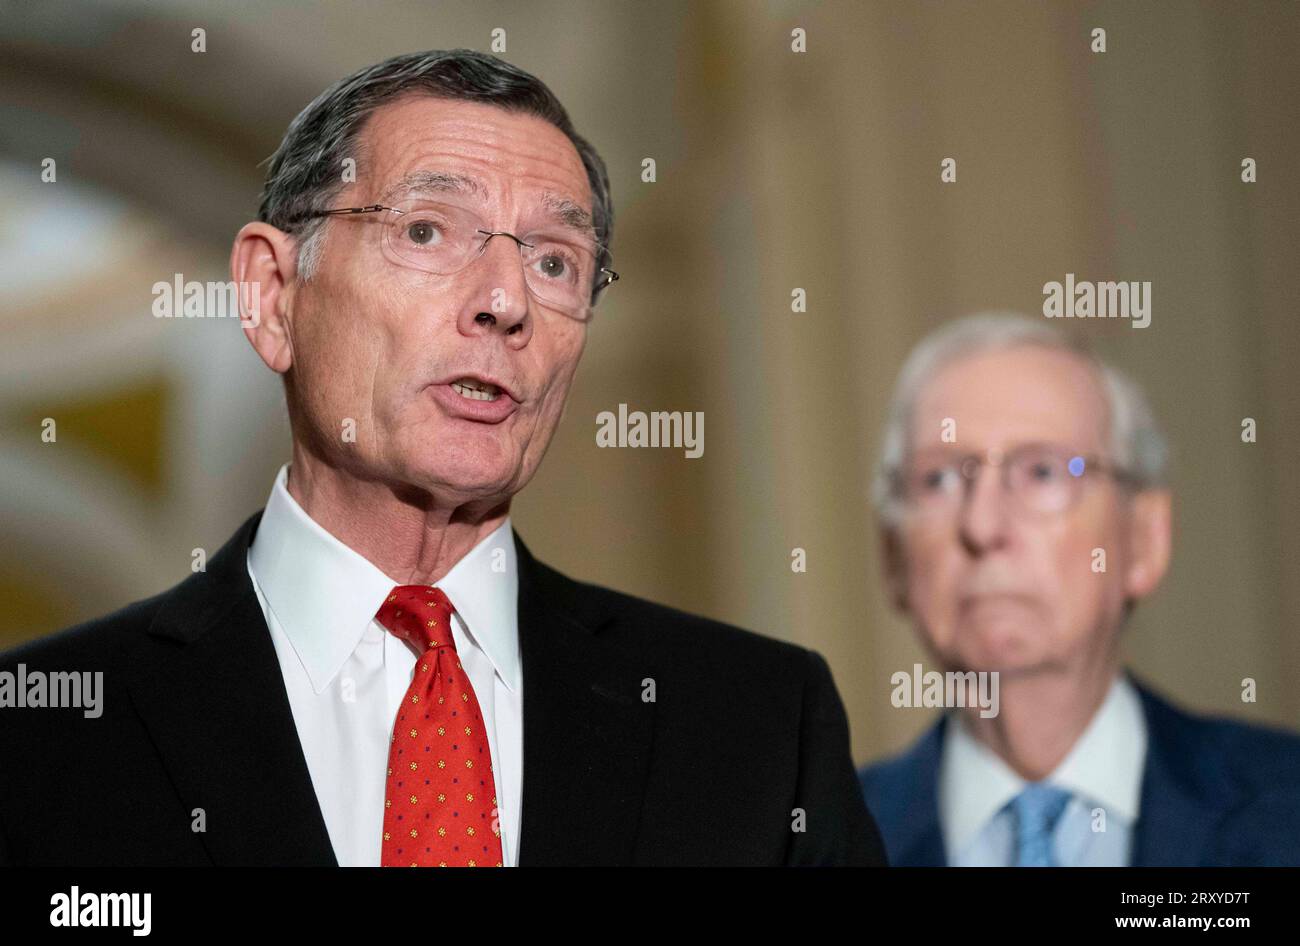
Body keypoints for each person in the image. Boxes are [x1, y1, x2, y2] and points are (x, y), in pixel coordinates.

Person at [0, 49, 884, 867]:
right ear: (272, 296)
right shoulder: (43, 730)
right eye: (426, 231)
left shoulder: (758, 725)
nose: (505, 302)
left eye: (554, 260)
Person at [858, 312, 1300, 866]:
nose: (982, 525)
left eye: (1043, 472)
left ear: (1143, 540)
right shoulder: (815, 844)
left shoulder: (1286, 813)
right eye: (939, 478)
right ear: (893, 556)